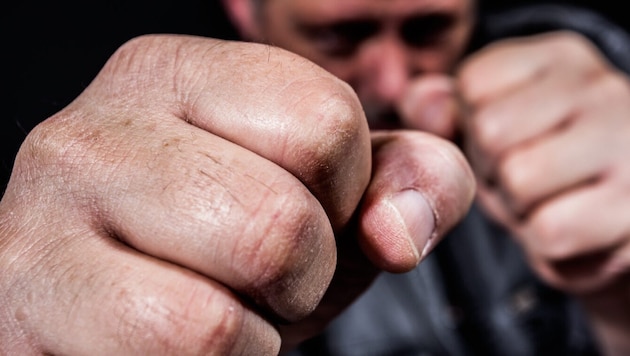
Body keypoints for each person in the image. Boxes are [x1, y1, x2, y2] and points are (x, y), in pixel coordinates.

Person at [1, 1, 630, 355]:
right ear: (247, 11)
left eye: (430, 29)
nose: (392, 81)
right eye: (340, 34)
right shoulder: (149, 153)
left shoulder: (600, 85)